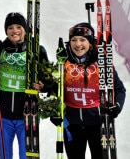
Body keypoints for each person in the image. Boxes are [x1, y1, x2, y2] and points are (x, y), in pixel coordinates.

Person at [51, 22, 126, 159]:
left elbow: (119, 89)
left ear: (90, 43)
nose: (78, 44)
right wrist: (53, 111)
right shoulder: (64, 63)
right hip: (72, 124)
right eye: (74, 40)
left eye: (82, 40)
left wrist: (117, 106)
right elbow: (54, 91)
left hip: (97, 124)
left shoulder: (101, 63)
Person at [0, 12, 49, 159]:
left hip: (27, 113)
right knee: (3, 155)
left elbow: (49, 79)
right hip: (2, 112)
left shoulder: (37, 50)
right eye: (10, 27)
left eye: (19, 27)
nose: (15, 31)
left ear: (25, 29)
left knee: (26, 155)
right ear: (6, 30)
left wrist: (43, 86)